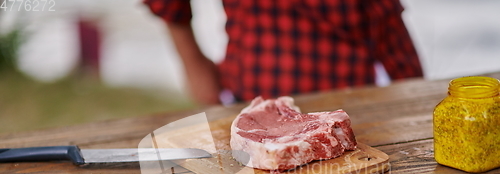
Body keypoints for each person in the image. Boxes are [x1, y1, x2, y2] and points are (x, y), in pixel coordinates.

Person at [144, 0, 423, 104]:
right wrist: (195, 67)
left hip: (349, 120)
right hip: (247, 108)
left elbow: (389, 26)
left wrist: (413, 98)